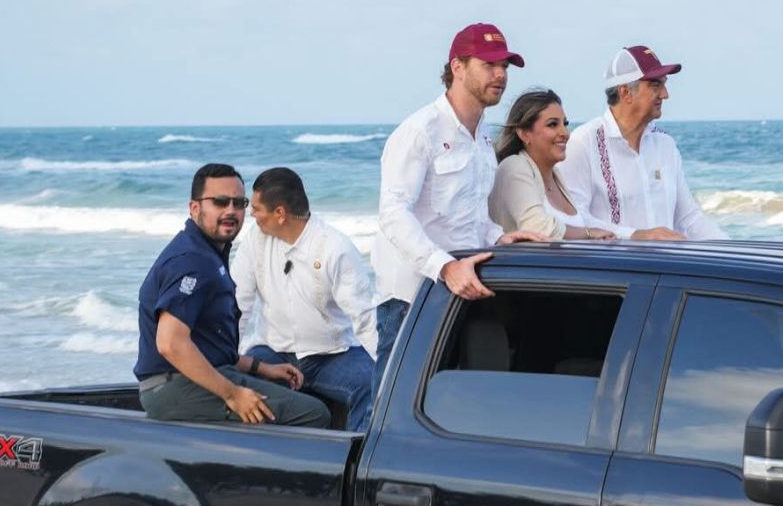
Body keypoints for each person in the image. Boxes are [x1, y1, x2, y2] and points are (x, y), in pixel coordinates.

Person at [370, 22, 545, 380]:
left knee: (446, 409)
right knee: (391, 414)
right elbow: (392, 213)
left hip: (461, 291)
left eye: (505, 67)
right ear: (457, 67)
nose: (500, 75)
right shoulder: (421, 131)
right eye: (490, 65)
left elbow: (466, 213)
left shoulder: (482, 138)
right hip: (412, 300)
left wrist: (497, 236)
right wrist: (444, 267)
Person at [134, 163, 330, 427]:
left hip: (190, 378)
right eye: (220, 202)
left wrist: (261, 368)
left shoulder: (207, 253)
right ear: (195, 208)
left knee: (292, 394)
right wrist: (233, 394)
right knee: (314, 415)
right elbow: (170, 344)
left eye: (239, 203)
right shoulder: (191, 261)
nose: (231, 211)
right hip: (174, 387)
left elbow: (207, 345)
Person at [233, 167, 378, 432]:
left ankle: (352, 461)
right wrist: (227, 354)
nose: (250, 215)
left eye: (255, 208)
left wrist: (387, 368)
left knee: (374, 383)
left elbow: (364, 317)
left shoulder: (335, 247)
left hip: (332, 355)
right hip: (273, 352)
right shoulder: (255, 239)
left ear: (280, 214)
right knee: (237, 381)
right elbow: (239, 303)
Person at [556, 45, 728, 241]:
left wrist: (733, 250)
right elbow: (574, 220)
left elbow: (689, 218)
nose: (665, 94)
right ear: (625, 92)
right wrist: (637, 235)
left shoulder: (665, 144)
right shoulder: (582, 143)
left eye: (664, 84)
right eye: (655, 85)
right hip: (611, 269)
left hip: (664, 268)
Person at [489, 89, 616, 240]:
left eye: (565, 124)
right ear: (524, 134)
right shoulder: (514, 167)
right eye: (552, 124)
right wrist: (588, 233)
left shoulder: (556, 175)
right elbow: (538, 228)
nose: (565, 132)